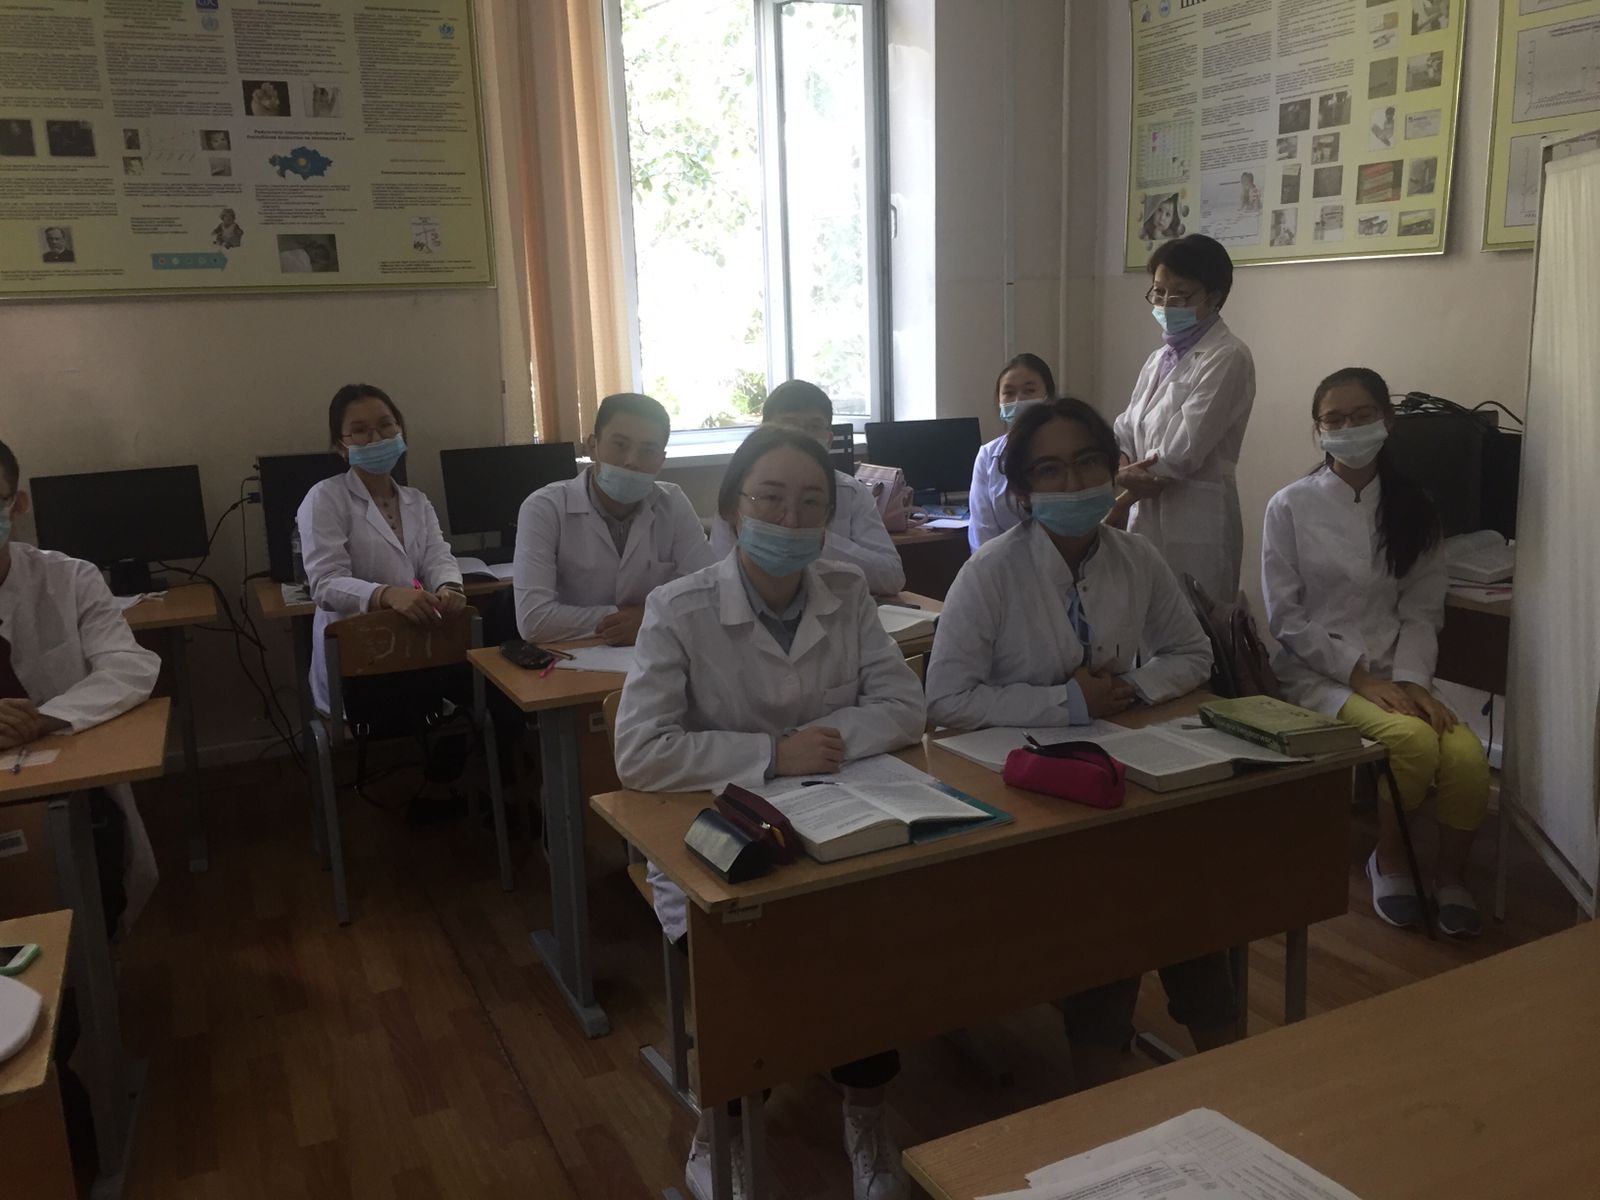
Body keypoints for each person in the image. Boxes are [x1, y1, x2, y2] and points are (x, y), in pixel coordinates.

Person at [615, 425, 925, 1200]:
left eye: (811, 504)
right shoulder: (679, 608)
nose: (791, 521)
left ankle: (864, 1110)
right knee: (745, 961)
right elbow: (641, 753)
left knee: (874, 936)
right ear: (732, 508)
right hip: (717, 833)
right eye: (771, 500)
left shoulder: (846, 591)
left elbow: (903, 705)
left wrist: (823, 744)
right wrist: (772, 754)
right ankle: (723, 1121)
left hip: (842, 811)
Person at [924, 398, 1226, 1088]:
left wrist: (1133, 689)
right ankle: (1100, 1067)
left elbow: (1192, 653)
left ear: (1113, 467)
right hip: (1017, 790)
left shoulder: (1135, 556)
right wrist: (1069, 703)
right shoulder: (990, 572)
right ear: (1023, 492)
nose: (1074, 482)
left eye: (1088, 462)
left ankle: (1224, 1060)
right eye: (1051, 470)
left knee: (1189, 885)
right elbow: (945, 702)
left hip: (1117, 768)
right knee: (1117, 890)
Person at [1262, 367, 1489, 937]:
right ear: (1318, 431)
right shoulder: (1289, 506)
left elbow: (1422, 611)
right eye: (1334, 420)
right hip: (1319, 675)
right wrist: (1360, 677)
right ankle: (1389, 861)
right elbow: (1286, 619)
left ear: (1387, 420)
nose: (1348, 428)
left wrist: (1412, 682)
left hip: (1397, 673)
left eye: (1361, 416)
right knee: (1413, 741)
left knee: (1467, 758)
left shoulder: (1416, 508)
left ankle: (1451, 877)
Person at [0, 439, 161, 938]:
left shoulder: (68, 578)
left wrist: (45, 717)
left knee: (92, 899)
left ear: (17, 503)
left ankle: (97, 960)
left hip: (60, 776)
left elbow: (130, 666)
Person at [296, 383, 466, 716]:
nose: (376, 438)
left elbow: (437, 555)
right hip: (356, 660)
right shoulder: (325, 498)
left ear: (399, 430)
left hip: (414, 645)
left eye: (386, 425)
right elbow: (325, 584)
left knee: (485, 675)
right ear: (341, 446)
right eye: (360, 431)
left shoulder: (416, 500)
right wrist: (387, 595)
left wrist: (449, 586)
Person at [1112, 233, 1256, 604]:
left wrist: (1124, 478)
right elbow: (1125, 427)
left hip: (1197, 524)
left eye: (1180, 295)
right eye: (1159, 292)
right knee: (1144, 620)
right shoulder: (1158, 359)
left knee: (1196, 625)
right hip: (1144, 518)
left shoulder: (1228, 356)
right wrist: (1121, 464)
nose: (1166, 304)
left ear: (1214, 296)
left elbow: (1181, 452)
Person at [514, 392, 715, 645]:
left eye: (648, 450)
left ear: (661, 460)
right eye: (620, 445)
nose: (632, 461)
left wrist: (646, 619)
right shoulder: (544, 508)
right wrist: (646, 618)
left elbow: (710, 595)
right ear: (592, 446)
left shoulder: (672, 503)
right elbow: (534, 620)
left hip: (655, 652)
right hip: (571, 657)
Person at [708, 380, 905, 595]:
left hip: (837, 606)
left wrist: (816, 540)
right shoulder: (742, 493)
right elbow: (717, 577)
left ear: (829, 440)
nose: (801, 436)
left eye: (814, 427)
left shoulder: (851, 492)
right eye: (788, 425)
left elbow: (892, 577)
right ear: (763, 434)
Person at [967, 353, 1056, 552]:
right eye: (1008, 393)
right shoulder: (988, 456)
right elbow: (982, 533)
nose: (1018, 399)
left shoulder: (1066, 447)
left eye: (1029, 390)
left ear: (1048, 396)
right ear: (999, 401)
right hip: (1002, 565)